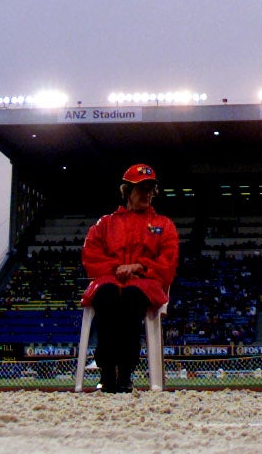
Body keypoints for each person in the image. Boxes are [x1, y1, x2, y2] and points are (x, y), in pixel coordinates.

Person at [80, 163, 179, 392]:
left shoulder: (164, 225)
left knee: (131, 300)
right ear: (127, 192)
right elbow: (90, 256)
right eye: (141, 189)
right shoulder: (105, 223)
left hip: (145, 283)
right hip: (110, 280)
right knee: (106, 297)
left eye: (150, 189)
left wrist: (139, 267)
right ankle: (106, 372)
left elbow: (168, 263)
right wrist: (118, 268)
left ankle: (125, 373)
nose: (146, 194)